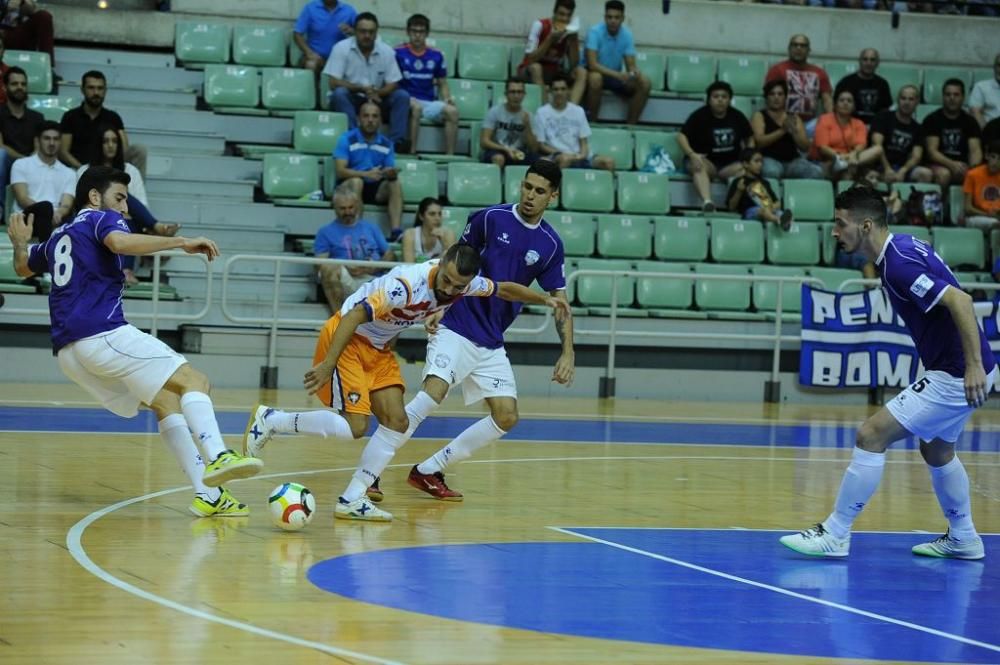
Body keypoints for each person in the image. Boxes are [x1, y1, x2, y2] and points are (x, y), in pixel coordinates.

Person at [241, 243, 571, 521]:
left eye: (458, 286)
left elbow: (503, 289)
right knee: (355, 426)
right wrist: (328, 364)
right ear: (439, 263)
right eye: (446, 280)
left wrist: (545, 299)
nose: (449, 290)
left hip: (379, 347)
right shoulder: (406, 284)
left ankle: (352, 499)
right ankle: (272, 421)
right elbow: (353, 315)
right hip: (348, 339)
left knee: (397, 422)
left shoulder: (464, 284)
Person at [5, 165, 263, 517]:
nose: (125, 208)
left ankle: (209, 495)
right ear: (95, 198)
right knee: (194, 381)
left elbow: (22, 269)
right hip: (101, 334)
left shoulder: (58, 237)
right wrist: (181, 242)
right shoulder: (100, 220)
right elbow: (120, 242)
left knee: (166, 402)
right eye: (120, 198)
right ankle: (218, 455)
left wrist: (20, 243)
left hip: (69, 354)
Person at [780, 186, 997, 560]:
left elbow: (961, 301)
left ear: (865, 226)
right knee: (937, 449)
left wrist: (973, 366)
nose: (834, 232)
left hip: (958, 372)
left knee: (871, 435)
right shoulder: (902, 248)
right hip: (964, 367)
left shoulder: (899, 266)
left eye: (839, 224)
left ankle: (835, 533)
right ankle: (964, 538)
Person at [405, 160, 575, 502]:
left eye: (539, 191)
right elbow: (452, 264)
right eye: (527, 186)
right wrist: (436, 306)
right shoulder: (489, 218)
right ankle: (372, 473)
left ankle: (428, 470)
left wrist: (568, 351)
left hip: (491, 340)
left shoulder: (550, 245)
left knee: (506, 415)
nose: (530, 195)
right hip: (457, 323)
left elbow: (560, 300)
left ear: (552, 197)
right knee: (432, 394)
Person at [78, 125, 178, 285]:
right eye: (105, 141)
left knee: (124, 205)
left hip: (124, 219)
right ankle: (156, 227)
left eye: (114, 141)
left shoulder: (130, 170)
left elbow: (141, 204)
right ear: (99, 145)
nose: (110, 145)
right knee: (120, 195)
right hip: (93, 219)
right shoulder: (86, 170)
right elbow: (82, 204)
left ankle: (126, 270)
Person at [323, 12, 410, 153]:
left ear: (376, 33)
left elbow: (393, 83)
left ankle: (395, 144)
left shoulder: (386, 51)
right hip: (352, 98)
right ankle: (355, 140)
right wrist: (361, 89)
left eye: (371, 32)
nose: (367, 36)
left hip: (376, 98)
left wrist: (376, 92)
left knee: (402, 96)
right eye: (363, 31)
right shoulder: (341, 48)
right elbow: (334, 82)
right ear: (355, 32)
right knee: (339, 94)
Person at [314, 185, 394, 313]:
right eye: (342, 208)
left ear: (357, 206)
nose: (347, 212)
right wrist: (346, 266)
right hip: (346, 278)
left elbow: (389, 254)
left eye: (350, 207)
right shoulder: (325, 232)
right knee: (328, 269)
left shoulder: (371, 228)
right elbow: (320, 264)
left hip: (373, 277)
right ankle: (339, 319)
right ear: (334, 208)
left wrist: (372, 268)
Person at [678, 80, 753, 212]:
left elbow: (749, 137)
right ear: (709, 99)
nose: (720, 100)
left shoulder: (737, 116)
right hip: (707, 162)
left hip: (729, 164)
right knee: (697, 164)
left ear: (729, 100)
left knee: (745, 169)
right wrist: (691, 154)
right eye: (716, 96)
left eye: (724, 97)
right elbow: (681, 136)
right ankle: (708, 202)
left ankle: (733, 205)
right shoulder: (699, 115)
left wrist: (749, 155)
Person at [333, 100, 403, 238]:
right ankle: (357, 229)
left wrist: (389, 173)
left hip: (375, 186)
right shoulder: (346, 139)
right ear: (359, 118)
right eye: (366, 116)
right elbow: (340, 171)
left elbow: (388, 168)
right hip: (348, 186)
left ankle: (396, 231)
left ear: (380, 120)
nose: (370, 120)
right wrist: (365, 174)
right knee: (357, 181)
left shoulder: (387, 144)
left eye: (374, 116)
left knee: (395, 183)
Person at [58, 70, 147, 177]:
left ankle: (136, 190)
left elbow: (124, 148)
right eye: (91, 88)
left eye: (100, 88)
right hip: (78, 169)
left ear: (105, 91)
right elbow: (63, 151)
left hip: (108, 168)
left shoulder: (113, 117)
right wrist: (83, 169)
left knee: (139, 150)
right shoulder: (70, 116)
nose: (96, 93)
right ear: (82, 90)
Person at [395, 14, 458, 156]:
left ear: (427, 33)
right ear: (407, 32)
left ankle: (450, 157)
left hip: (429, 102)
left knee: (452, 112)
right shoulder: (398, 52)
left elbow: (442, 82)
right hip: (407, 100)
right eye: (414, 31)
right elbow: (393, 81)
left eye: (421, 32)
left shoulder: (436, 55)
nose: (417, 35)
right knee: (415, 108)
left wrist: (447, 98)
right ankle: (412, 153)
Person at [581, 0, 650, 125]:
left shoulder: (627, 35)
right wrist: (618, 75)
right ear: (605, 17)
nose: (613, 21)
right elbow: (592, 64)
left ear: (623, 18)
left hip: (614, 78)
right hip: (594, 74)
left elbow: (631, 65)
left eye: (617, 17)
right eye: (609, 17)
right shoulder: (594, 32)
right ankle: (592, 124)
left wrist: (634, 72)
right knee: (596, 79)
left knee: (645, 82)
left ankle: (630, 127)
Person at [533, 73, 614, 171]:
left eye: (563, 89)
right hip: (557, 155)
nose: (559, 93)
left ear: (568, 91)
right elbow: (541, 146)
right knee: (565, 159)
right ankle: (559, 186)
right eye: (556, 89)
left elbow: (583, 142)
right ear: (550, 91)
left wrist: (582, 155)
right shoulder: (542, 112)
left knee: (608, 162)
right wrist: (563, 153)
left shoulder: (578, 111)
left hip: (578, 155)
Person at [10, 120, 74, 242]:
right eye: (47, 138)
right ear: (38, 140)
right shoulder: (21, 164)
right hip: (27, 219)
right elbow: (22, 199)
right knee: (46, 206)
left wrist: (58, 213)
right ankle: (46, 251)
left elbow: (66, 204)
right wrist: (48, 212)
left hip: (56, 219)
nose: (51, 143)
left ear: (60, 142)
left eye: (55, 139)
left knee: (75, 216)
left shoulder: (69, 173)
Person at [751, 79, 823, 180]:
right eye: (772, 94)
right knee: (771, 172)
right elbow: (759, 142)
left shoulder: (794, 117)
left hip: (793, 161)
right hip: (769, 159)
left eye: (780, 94)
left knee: (816, 173)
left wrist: (794, 132)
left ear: (785, 97)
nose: (776, 97)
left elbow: (805, 147)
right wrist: (783, 130)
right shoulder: (759, 116)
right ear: (767, 97)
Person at [517, 0, 587, 105]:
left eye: (568, 15)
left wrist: (573, 41)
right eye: (561, 14)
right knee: (536, 67)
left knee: (581, 72)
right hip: (530, 70)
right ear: (554, 13)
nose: (564, 19)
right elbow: (530, 59)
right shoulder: (540, 25)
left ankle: (572, 110)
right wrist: (550, 39)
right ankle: (545, 110)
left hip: (554, 71)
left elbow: (573, 64)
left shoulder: (570, 31)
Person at [811, 88, 883, 181]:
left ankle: (848, 170)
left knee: (878, 149)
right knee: (851, 167)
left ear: (854, 106)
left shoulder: (859, 124)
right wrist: (841, 156)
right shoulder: (824, 119)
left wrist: (853, 154)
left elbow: (861, 144)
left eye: (849, 101)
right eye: (842, 100)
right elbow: (823, 148)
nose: (845, 103)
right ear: (835, 105)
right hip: (829, 161)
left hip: (852, 159)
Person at [923, 79, 983, 188]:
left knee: (976, 175)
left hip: (961, 166)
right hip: (938, 165)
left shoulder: (970, 121)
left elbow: (975, 150)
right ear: (943, 96)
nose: (952, 98)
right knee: (944, 174)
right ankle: (939, 204)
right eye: (948, 94)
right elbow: (932, 152)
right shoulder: (932, 119)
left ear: (963, 97)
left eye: (956, 95)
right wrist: (951, 164)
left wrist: (973, 169)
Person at [870, 85, 933, 185]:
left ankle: (914, 200)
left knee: (926, 174)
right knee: (871, 176)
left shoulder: (918, 128)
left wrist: (903, 171)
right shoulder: (883, 117)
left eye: (911, 99)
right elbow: (877, 145)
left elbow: (916, 156)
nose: (906, 102)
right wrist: (887, 169)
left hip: (903, 168)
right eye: (903, 98)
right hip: (880, 166)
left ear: (917, 103)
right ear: (898, 100)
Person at [764, 34, 832, 126]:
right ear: (789, 49)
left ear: (809, 50)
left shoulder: (819, 72)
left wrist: (832, 124)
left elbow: (827, 101)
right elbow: (770, 98)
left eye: (803, 46)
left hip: (810, 123)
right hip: (782, 122)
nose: (798, 48)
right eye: (795, 45)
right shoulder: (777, 70)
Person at [0, 65, 42, 212]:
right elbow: (1, 146)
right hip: (7, 163)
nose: (20, 87)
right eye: (14, 84)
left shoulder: (37, 118)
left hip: (30, 163)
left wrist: (29, 161)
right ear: (5, 87)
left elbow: (39, 147)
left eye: (23, 84)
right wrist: (23, 160)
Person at [480, 78, 541, 169]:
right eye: (512, 92)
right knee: (498, 158)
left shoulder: (528, 116)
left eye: (519, 92)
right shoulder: (495, 112)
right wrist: (505, 149)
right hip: (498, 150)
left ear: (524, 95)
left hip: (520, 152)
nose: (516, 96)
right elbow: (484, 141)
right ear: (506, 94)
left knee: (543, 162)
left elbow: (534, 148)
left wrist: (527, 127)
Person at [726, 148, 793, 230]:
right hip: (749, 213)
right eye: (756, 161)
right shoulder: (738, 181)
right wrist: (739, 191)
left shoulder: (765, 182)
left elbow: (777, 202)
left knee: (782, 213)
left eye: (761, 162)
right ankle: (778, 220)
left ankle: (782, 220)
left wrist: (772, 207)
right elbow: (731, 207)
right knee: (763, 211)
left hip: (769, 210)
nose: (760, 164)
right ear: (745, 164)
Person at [292, 0, 356, 75]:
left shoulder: (349, 11)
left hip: (340, 58)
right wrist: (309, 53)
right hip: (316, 56)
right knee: (311, 64)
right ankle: (313, 87)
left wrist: (351, 31)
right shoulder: (310, 8)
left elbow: (361, 32)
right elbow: (297, 34)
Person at [834, 48, 892, 125]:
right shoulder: (846, 82)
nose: (868, 63)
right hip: (849, 126)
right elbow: (836, 108)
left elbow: (885, 112)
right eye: (865, 59)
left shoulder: (883, 84)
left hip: (875, 127)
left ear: (877, 63)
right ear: (859, 61)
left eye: (872, 60)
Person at [0, 1, 55, 76]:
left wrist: (23, 2)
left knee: (44, 16)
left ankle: (48, 69)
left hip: (16, 32)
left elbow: (32, 10)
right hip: (3, 31)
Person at [401, 196, 455, 263]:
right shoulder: (410, 235)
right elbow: (408, 266)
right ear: (421, 216)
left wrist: (444, 243)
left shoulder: (448, 234)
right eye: (432, 214)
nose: (437, 218)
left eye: (440, 214)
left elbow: (452, 264)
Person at [962, 139, 1000, 230]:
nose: (995, 162)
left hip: (996, 216)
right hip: (976, 216)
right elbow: (967, 208)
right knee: (996, 224)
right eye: (993, 157)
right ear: (987, 156)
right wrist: (987, 215)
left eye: (999, 159)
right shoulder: (972, 174)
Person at [969, 53, 1000, 127]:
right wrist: (987, 134)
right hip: (991, 133)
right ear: (994, 67)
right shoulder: (981, 87)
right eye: (999, 65)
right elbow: (975, 112)